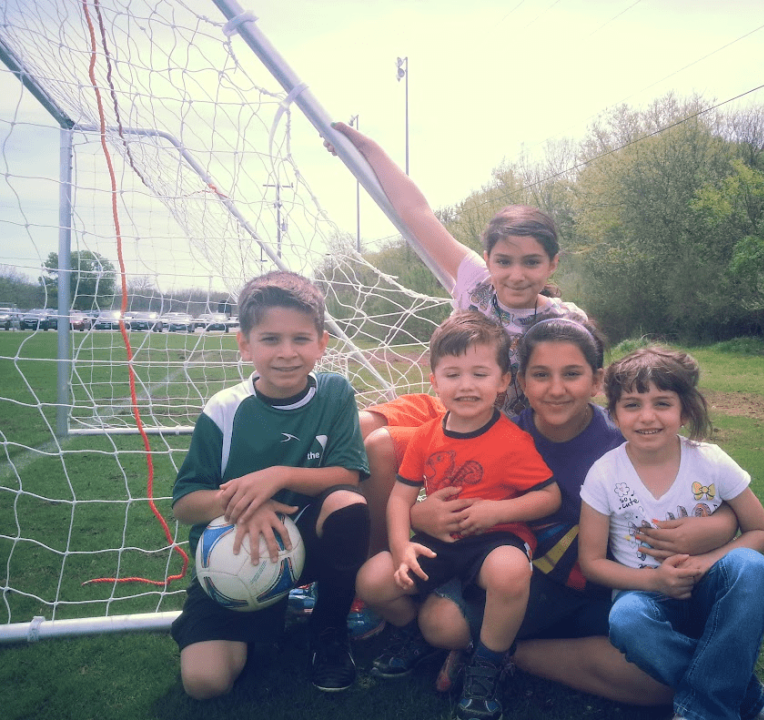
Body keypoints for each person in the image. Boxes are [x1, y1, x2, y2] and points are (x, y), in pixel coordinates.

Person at [411, 319, 739, 712]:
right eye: (541, 375)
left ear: (597, 380)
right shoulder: (501, 437)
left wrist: (718, 525)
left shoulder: (627, 437)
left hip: (613, 586)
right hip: (531, 584)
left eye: (572, 374)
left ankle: (504, 652)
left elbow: (719, 500)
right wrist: (420, 515)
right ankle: (494, 650)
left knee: (659, 686)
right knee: (439, 623)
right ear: (521, 381)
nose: (556, 389)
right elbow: (455, 505)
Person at [325, 121, 586, 558]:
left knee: (380, 447)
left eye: (531, 262)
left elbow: (582, 386)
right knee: (358, 427)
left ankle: (382, 560)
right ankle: (324, 539)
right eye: (504, 260)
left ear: (552, 264)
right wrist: (368, 148)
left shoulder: (563, 321)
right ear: (487, 259)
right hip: (448, 402)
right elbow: (417, 213)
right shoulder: (476, 281)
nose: (516, 274)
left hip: (496, 426)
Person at [578, 345, 764, 720]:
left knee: (750, 566)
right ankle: (752, 700)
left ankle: (701, 712)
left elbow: (762, 532)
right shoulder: (604, 473)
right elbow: (592, 562)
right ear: (612, 413)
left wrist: (705, 562)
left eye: (662, 403)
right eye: (632, 405)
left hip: (712, 591)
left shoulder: (710, 460)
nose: (648, 417)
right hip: (646, 598)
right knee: (625, 620)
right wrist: (657, 582)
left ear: (685, 409)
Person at [170, 271, 370, 698]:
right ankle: (261, 611)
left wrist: (278, 476)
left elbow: (348, 474)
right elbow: (186, 503)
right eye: (270, 339)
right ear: (245, 344)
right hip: (239, 555)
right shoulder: (225, 409)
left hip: (310, 540)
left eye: (300, 339)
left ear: (321, 343)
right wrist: (242, 503)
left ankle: (329, 627)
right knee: (205, 683)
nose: (287, 353)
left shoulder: (335, 393)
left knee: (348, 504)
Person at [356, 311, 561, 720]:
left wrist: (497, 511)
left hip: (495, 538)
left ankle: (488, 662)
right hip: (439, 539)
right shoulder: (427, 435)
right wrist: (401, 547)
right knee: (373, 580)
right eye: (452, 374)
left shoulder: (513, 440)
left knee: (509, 570)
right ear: (434, 382)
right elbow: (400, 498)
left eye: (480, 374)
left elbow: (549, 497)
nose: (466, 385)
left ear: (504, 382)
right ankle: (412, 633)